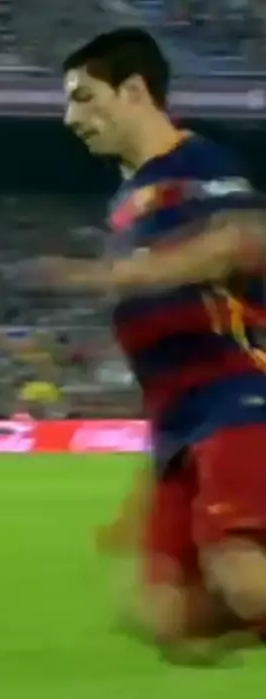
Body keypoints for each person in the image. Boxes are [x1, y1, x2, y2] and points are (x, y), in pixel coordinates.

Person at [45, 28, 266, 663]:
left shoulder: (198, 164)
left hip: (237, 391)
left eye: (84, 97)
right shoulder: (128, 198)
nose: (71, 119)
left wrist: (118, 275)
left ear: (135, 90)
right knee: (169, 618)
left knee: (242, 574)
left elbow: (240, 241)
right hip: (179, 420)